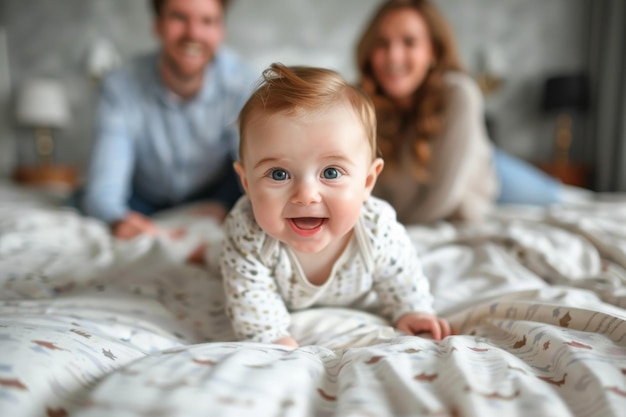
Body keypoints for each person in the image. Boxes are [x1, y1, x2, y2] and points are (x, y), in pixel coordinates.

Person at [218, 63, 451, 348]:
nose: (306, 195)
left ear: (366, 182)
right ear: (246, 183)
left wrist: (413, 310)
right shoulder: (247, 232)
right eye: (279, 174)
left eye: (330, 173)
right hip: (258, 283)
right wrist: (276, 341)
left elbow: (402, 275)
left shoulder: (376, 228)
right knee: (219, 258)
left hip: (357, 297)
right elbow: (252, 307)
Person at [355, 0, 580, 225]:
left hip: (482, 170)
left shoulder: (459, 93)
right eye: (382, 43)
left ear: (433, 51)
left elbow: (445, 194)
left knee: (560, 198)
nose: (393, 55)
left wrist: (398, 231)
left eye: (409, 42)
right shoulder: (359, 103)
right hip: (453, 171)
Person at [81, 0, 257, 239]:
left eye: (207, 21)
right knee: (84, 201)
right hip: (143, 200)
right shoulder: (121, 85)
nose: (193, 33)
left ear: (220, 31)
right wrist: (119, 221)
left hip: (216, 193)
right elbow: (105, 189)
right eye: (179, 18)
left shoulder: (242, 83)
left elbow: (252, 167)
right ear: (158, 25)